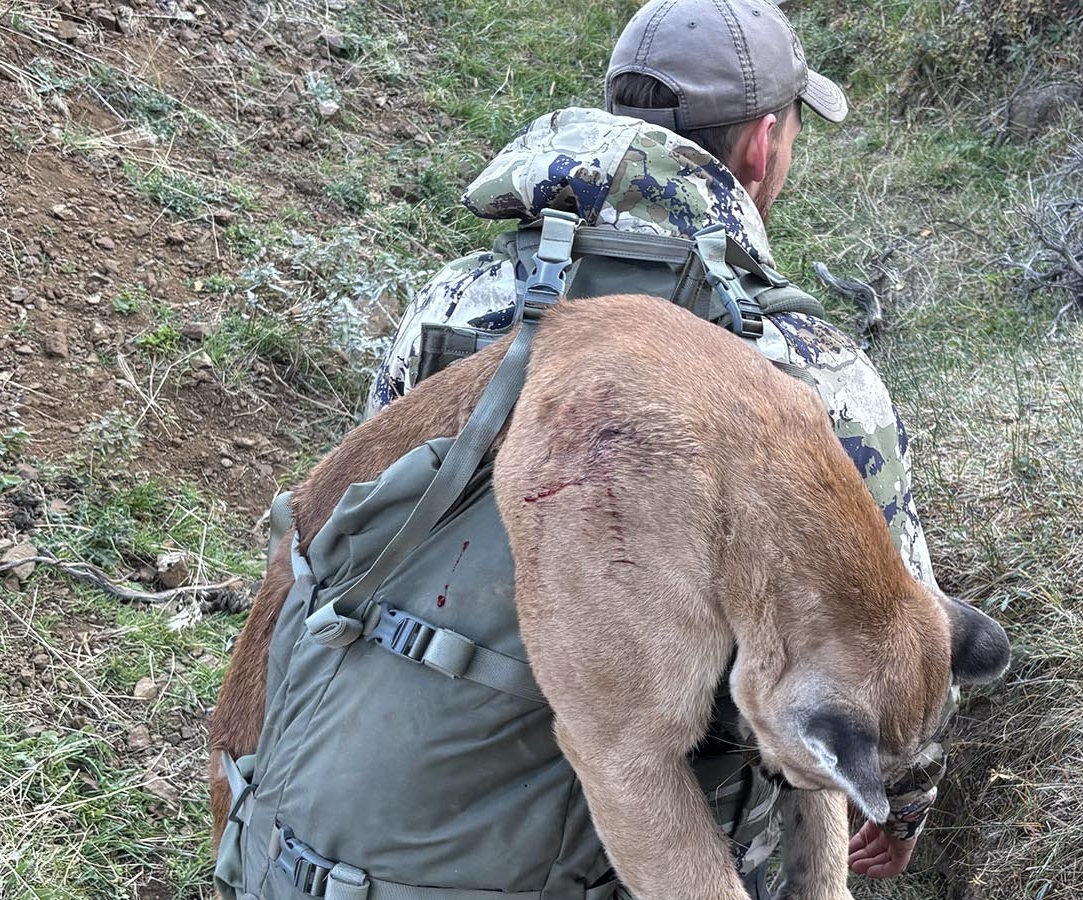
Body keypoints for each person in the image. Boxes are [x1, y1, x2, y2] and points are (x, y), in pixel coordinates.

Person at [368, 0, 943, 884]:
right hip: (693, 841)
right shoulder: (818, 374)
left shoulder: (451, 305)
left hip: (441, 803)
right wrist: (900, 805)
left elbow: (369, 524)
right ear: (762, 148)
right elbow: (881, 638)